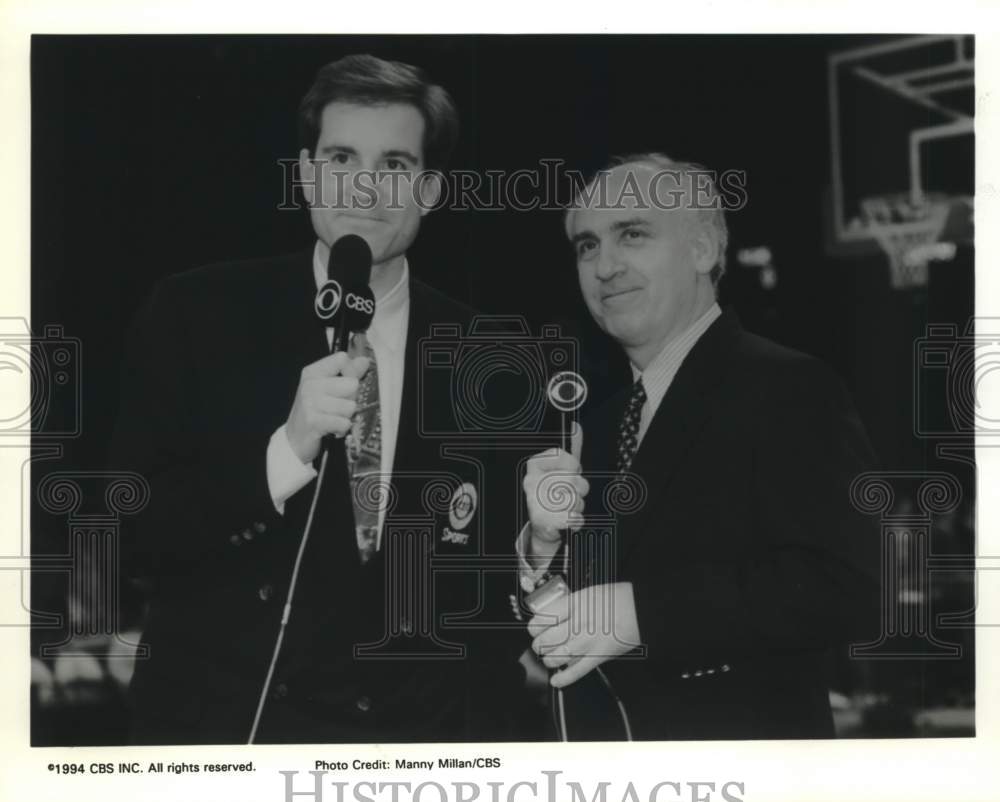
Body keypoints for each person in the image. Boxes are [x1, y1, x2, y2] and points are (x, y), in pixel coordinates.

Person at [111, 54, 522, 745]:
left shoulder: (489, 354)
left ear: (430, 190)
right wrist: (284, 453)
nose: (364, 187)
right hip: (228, 734)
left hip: (408, 749)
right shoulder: (196, 311)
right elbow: (127, 532)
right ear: (305, 175)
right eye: (340, 158)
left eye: (394, 165)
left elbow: (489, 601)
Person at [519, 154, 881, 740]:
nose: (604, 266)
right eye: (587, 245)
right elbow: (569, 624)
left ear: (704, 251)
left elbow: (851, 585)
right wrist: (540, 548)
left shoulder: (789, 386)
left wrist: (645, 614)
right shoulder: (599, 424)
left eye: (631, 234)